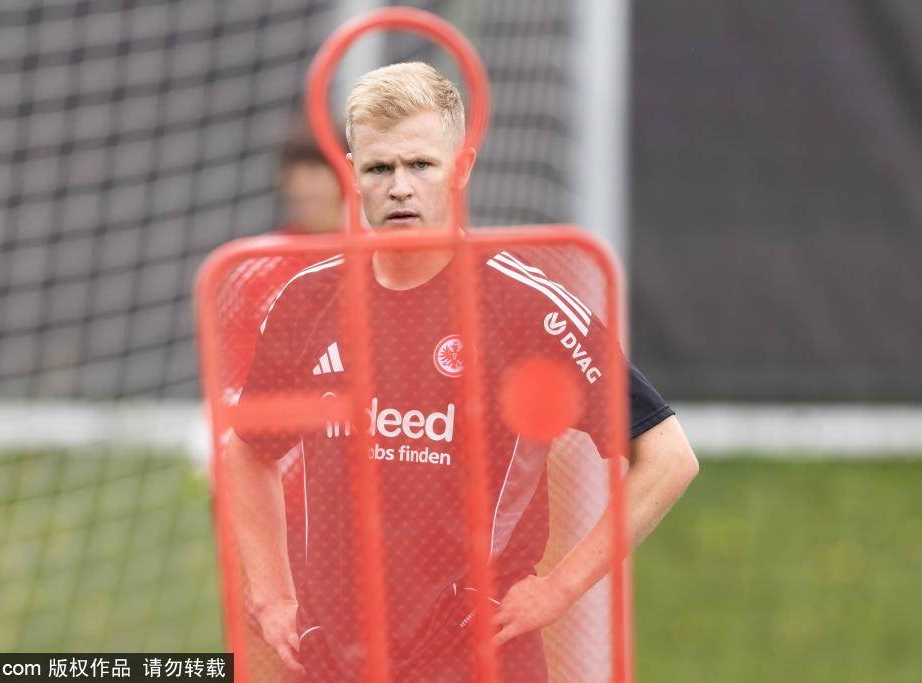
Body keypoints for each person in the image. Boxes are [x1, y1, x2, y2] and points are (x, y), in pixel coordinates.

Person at [226, 62, 699, 682]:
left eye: (421, 164)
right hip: (337, 659)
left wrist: (559, 589)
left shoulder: (525, 307)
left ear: (462, 167)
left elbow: (667, 457)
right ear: (351, 173)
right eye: (379, 168)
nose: (400, 187)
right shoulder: (306, 300)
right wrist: (270, 596)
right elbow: (248, 450)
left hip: (478, 656)